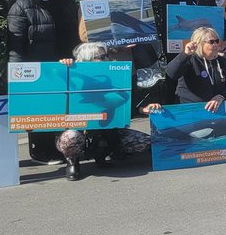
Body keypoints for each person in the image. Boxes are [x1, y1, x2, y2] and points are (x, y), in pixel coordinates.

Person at [8, 0, 80, 163]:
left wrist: (73, 56)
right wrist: (18, 75)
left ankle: (63, 146)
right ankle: (40, 150)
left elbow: (75, 34)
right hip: (37, 68)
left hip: (65, 65)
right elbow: (16, 46)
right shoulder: (21, 6)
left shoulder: (66, 0)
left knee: (63, 108)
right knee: (41, 110)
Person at [54, 42, 154, 182]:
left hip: (107, 131)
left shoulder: (115, 77)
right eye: (96, 57)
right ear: (85, 59)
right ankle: (72, 162)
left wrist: (143, 109)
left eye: (103, 56)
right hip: (78, 130)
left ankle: (103, 154)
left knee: (145, 142)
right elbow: (54, 78)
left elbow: (125, 108)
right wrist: (62, 65)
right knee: (70, 137)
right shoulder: (72, 75)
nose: (101, 60)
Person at [165, 26, 226, 108]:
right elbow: (171, 73)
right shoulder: (190, 60)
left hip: (216, 108)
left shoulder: (220, 60)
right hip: (191, 108)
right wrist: (185, 54)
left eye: (216, 41)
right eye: (211, 42)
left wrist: (221, 96)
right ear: (199, 43)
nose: (215, 45)